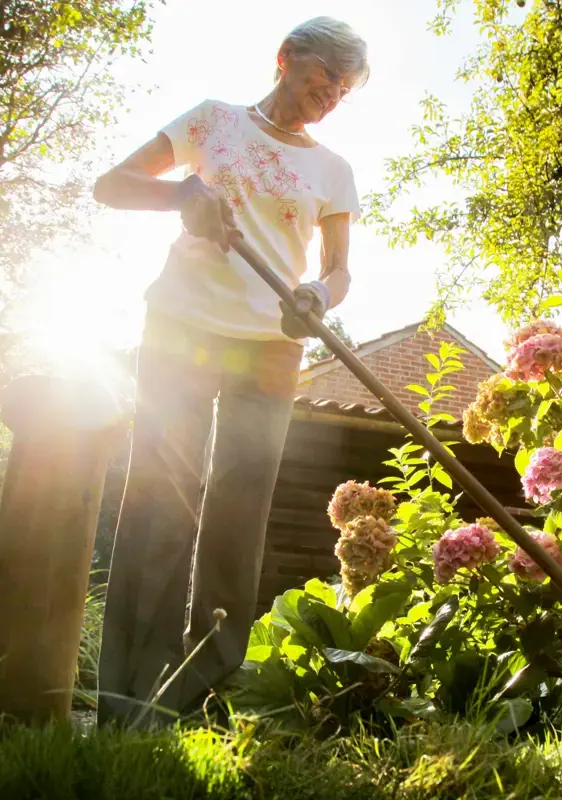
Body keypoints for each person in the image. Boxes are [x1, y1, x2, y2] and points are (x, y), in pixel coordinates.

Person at [92, 16, 368, 727]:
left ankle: (201, 695)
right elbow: (111, 186)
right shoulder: (213, 123)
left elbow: (338, 272)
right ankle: (127, 699)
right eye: (320, 76)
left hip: (273, 345)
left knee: (238, 516)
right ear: (285, 59)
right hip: (182, 330)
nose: (329, 93)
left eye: (342, 86)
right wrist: (181, 197)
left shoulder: (333, 170)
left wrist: (317, 297)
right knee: (160, 499)